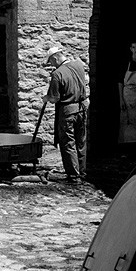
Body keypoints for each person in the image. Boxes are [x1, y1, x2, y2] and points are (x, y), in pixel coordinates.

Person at [39, 44, 89, 183]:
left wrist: (46, 98)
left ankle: (74, 175)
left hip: (67, 111)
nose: (51, 65)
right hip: (81, 108)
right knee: (81, 142)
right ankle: (82, 172)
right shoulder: (79, 65)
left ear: (55, 58)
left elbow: (55, 98)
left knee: (68, 143)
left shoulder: (57, 74)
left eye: (51, 61)